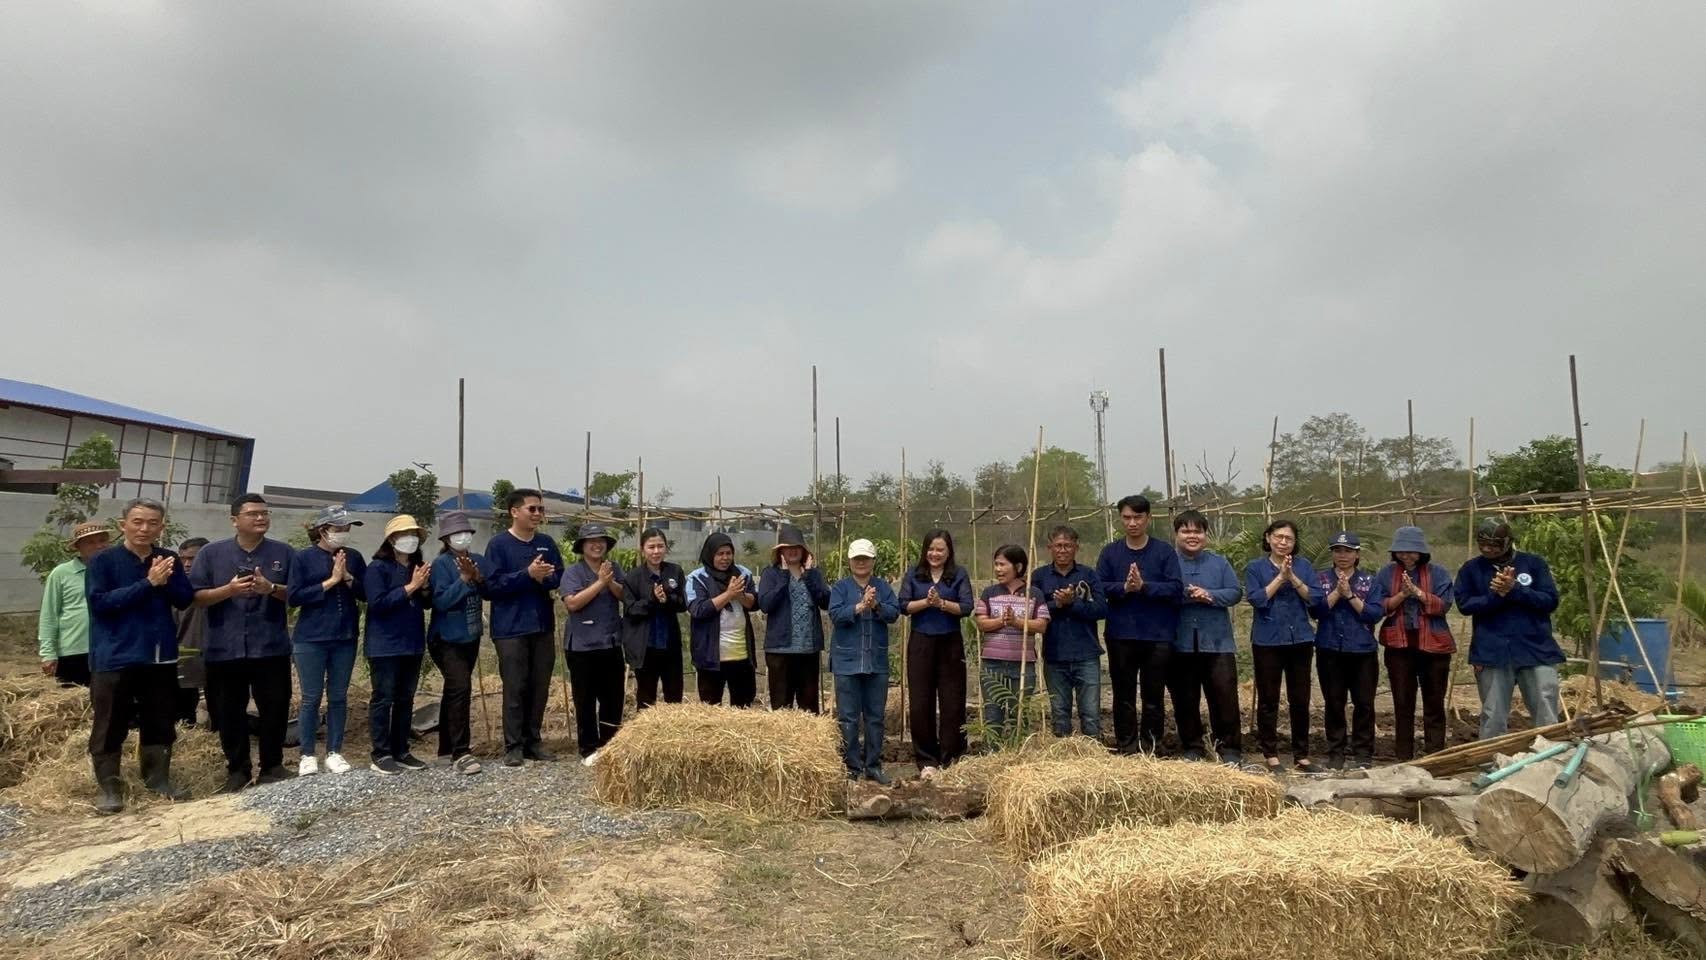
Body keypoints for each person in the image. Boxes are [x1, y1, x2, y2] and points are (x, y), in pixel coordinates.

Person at [84, 498, 195, 814]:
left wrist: (166, 580)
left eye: (152, 523)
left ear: (162, 527)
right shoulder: (103, 560)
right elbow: (101, 604)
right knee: (110, 723)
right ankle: (110, 788)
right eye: (137, 522)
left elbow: (184, 599)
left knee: (160, 719)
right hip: (115, 655)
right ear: (123, 525)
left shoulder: (168, 558)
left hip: (159, 655)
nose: (145, 528)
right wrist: (148, 583)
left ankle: (158, 779)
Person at [189, 493, 295, 793]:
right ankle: (237, 770)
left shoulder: (284, 552)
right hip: (224, 647)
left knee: (275, 708)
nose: (261, 518)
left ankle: (272, 766)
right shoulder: (211, 553)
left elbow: (298, 594)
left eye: (265, 513)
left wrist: (270, 588)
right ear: (234, 520)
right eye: (253, 513)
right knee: (228, 712)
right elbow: (195, 597)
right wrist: (229, 590)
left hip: (270, 646)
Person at [1456, 518, 1563, 740]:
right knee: (1493, 713)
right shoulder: (1471, 569)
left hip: (1535, 649)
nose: (1487, 549)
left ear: (1508, 542)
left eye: (1493, 545)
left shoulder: (1533, 564)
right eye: (1482, 544)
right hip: (1491, 651)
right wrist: (1496, 595)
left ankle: (1552, 753)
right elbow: (1465, 605)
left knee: (1545, 707)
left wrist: (1515, 590)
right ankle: (1491, 757)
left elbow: (1550, 601)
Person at [1096, 495, 1182, 754]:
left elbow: (1175, 588)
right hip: (1121, 634)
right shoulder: (1110, 553)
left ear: (1148, 518)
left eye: (1137, 517)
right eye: (1127, 517)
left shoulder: (1164, 552)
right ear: (1120, 519)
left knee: (1153, 694)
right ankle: (1127, 745)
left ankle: (1151, 745)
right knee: (1123, 694)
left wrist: (1145, 586)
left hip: (1158, 635)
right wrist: (1124, 587)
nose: (1132, 523)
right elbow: (1099, 586)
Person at [484, 488, 563, 767]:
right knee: (515, 687)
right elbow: (491, 586)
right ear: (514, 511)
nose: (538, 514)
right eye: (532, 509)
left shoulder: (546, 543)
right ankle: (513, 745)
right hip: (511, 628)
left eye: (541, 509)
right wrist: (526, 575)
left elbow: (558, 576)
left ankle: (533, 741)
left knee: (540, 686)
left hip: (541, 625)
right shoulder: (498, 545)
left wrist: (544, 579)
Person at [287, 504, 367, 776]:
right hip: (311, 637)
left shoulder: (354, 557)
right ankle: (307, 754)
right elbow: (294, 597)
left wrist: (348, 578)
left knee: (338, 696)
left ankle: (334, 751)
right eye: (338, 528)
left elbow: (366, 593)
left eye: (347, 528)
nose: (343, 532)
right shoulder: (303, 558)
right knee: (311, 698)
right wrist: (330, 581)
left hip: (345, 636)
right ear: (323, 530)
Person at [1368, 526, 1457, 760]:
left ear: (1422, 552)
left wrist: (1417, 592)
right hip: (1399, 647)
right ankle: (1403, 755)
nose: (1406, 556)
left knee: (1434, 702)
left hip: (1434, 647)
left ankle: (1435, 754)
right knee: (1402, 702)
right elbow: (1380, 606)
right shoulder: (1386, 574)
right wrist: (1402, 595)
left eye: (1411, 551)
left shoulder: (1438, 573)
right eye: (1401, 551)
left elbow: (1444, 606)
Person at [897, 529, 975, 776]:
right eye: (931, 549)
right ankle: (927, 760)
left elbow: (966, 607)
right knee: (921, 701)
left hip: (950, 643)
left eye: (940, 549)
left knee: (953, 700)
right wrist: (927, 603)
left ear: (948, 551)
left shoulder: (958, 574)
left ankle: (952, 757)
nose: (935, 554)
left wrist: (942, 603)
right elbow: (903, 605)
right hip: (921, 642)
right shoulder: (914, 573)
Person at [1168, 510, 1244, 764]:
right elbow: (1162, 592)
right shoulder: (1168, 563)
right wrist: (1189, 595)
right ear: (1176, 534)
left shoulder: (1219, 563)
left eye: (1198, 531)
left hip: (1217, 642)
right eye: (1186, 531)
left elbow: (1234, 592)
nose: (1192, 536)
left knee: (1224, 697)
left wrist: (1210, 595)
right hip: (1180, 641)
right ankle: (1193, 747)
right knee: (1185, 698)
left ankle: (1229, 749)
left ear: (1205, 535)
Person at [1245, 519, 1318, 772]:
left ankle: (1301, 755)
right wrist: (1280, 578)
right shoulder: (1255, 568)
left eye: (1289, 539)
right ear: (1268, 538)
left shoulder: (1304, 566)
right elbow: (1256, 599)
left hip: (1300, 639)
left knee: (1300, 698)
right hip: (1267, 640)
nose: (1283, 542)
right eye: (1278, 537)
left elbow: (1315, 598)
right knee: (1268, 698)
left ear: (1295, 543)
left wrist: (1293, 578)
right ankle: (1271, 754)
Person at [363, 515, 432, 775]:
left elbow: (426, 603)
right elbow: (378, 603)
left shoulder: (417, 566)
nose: (410, 539)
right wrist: (411, 586)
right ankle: (381, 752)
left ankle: (401, 749)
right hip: (385, 644)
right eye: (405, 534)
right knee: (383, 698)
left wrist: (424, 587)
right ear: (392, 539)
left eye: (414, 535)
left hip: (412, 642)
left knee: (406, 698)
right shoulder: (377, 568)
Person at [827, 538, 899, 783]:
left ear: (873, 561)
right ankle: (852, 766)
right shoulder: (840, 588)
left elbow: (894, 613)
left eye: (865, 559)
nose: (861, 563)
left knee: (875, 717)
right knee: (848, 717)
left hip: (876, 661)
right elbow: (835, 615)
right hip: (847, 661)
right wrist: (859, 606)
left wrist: (876, 605)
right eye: (857, 558)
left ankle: (873, 765)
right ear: (849, 561)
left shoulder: (883, 587)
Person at [1309, 531, 1381, 769]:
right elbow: (1316, 611)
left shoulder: (1369, 581)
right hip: (1329, 648)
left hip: (1362, 650)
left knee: (1364, 703)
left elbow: (1374, 614)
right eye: (1338, 551)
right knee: (1333, 702)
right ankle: (1336, 753)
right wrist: (1336, 593)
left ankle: (1363, 754)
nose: (1343, 555)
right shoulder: (1320, 579)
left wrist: (1349, 595)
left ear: (1357, 554)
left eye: (1348, 551)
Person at [429, 510, 491, 775]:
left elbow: (488, 591)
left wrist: (477, 577)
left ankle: (445, 749)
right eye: (456, 533)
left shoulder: (477, 560)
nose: (463, 537)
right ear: (446, 538)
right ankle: (461, 752)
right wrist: (464, 579)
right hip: (446, 638)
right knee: (461, 688)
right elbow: (441, 601)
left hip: (471, 635)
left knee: (454, 690)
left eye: (466, 532)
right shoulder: (441, 564)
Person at [1032, 526, 1108, 741]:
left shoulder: (1088, 575)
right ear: (1050, 547)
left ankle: (1093, 751)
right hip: (1055, 655)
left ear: (1076, 547)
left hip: (1086, 653)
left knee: (1091, 714)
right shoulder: (1039, 577)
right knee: (1059, 713)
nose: (1063, 550)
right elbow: (1032, 610)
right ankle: (1062, 752)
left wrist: (1073, 603)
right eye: (1058, 546)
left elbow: (1101, 609)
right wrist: (1057, 604)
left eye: (1067, 546)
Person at [561, 522, 627, 759]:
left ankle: (610, 744)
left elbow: (625, 595)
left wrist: (610, 581)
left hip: (610, 642)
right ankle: (588, 748)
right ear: (582, 546)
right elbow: (572, 603)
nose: (597, 545)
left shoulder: (614, 568)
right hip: (582, 646)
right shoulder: (573, 573)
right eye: (591, 541)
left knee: (613, 698)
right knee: (585, 700)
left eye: (601, 541)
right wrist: (600, 582)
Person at [976, 545, 1050, 738]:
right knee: (993, 716)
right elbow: (981, 623)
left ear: (1018, 566)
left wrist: (1017, 622)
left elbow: (1042, 625)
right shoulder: (989, 593)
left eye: (1002, 565)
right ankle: (993, 752)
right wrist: (1002, 620)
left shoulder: (1034, 593)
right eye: (996, 564)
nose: (998, 569)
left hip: (1022, 664)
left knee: (1020, 716)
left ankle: (1017, 752)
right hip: (992, 664)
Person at [756, 525, 830, 712]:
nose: (792, 551)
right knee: (781, 705)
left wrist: (810, 576)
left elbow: (825, 602)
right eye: (787, 547)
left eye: (797, 547)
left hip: (808, 649)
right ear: (780, 551)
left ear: (804, 550)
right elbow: (765, 605)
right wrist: (783, 577)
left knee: (809, 707)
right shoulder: (770, 574)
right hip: (780, 650)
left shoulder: (814, 573)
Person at [686, 532, 759, 706]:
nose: (725, 558)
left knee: (743, 706)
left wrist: (740, 595)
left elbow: (755, 603)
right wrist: (729, 594)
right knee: (711, 707)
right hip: (710, 657)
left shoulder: (743, 574)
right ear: (710, 554)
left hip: (741, 655)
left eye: (728, 553)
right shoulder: (697, 578)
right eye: (720, 554)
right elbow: (698, 610)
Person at [38, 521, 110, 688]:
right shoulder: (61, 573)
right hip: (73, 650)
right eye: (90, 542)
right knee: (73, 700)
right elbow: (49, 614)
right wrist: (48, 653)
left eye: (102, 540)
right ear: (78, 546)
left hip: (109, 649)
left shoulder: (114, 570)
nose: (98, 546)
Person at [621, 528, 688, 708]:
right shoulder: (633, 577)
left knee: (674, 695)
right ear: (642, 549)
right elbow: (630, 610)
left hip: (670, 644)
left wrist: (667, 599)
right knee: (646, 697)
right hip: (646, 646)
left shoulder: (675, 571)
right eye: (651, 547)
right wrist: (651, 599)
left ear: (666, 548)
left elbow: (683, 604)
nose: (656, 551)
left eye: (660, 546)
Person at [173, 537, 209, 726]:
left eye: (192, 559)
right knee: (184, 712)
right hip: (184, 656)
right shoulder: (175, 588)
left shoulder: (222, 586)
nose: (187, 564)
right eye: (183, 559)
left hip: (215, 656)